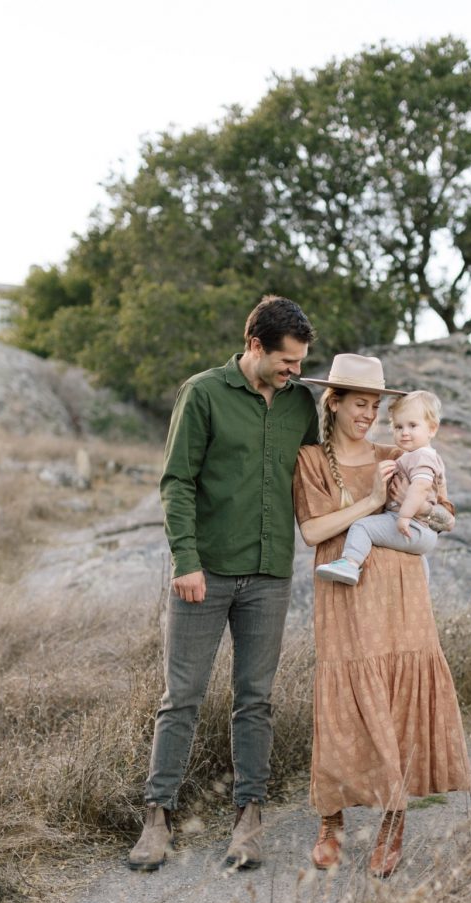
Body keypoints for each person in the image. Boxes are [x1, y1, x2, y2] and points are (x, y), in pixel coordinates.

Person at [129, 295, 320, 873]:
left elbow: (319, 470)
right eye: (287, 361)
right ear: (256, 346)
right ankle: (158, 817)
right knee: (180, 699)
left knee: (255, 700)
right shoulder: (204, 393)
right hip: (204, 574)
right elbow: (177, 481)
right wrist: (185, 560)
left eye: (301, 363)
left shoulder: (300, 405)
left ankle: (248, 818)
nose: (294, 372)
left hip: (270, 576)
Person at [293, 354, 471, 877]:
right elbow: (312, 532)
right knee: (341, 701)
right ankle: (331, 820)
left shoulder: (399, 450)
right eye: (360, 404)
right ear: (336, 402)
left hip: (401, 594)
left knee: (395, 702)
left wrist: (425, 512)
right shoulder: (310, 460)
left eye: (376, 405)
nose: (369, 414)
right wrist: (374, 499)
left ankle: (394, 822)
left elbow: (448, 517)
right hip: (344, 591)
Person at [313, 389, 454, 585]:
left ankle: (350, 563)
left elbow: (426, 493)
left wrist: (406, 514)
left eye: (412, 425)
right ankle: (422, 585)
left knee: (363, 526)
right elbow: (311, 533)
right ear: (334, 404)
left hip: (413, 526)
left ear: (432, 429)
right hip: (413, 532)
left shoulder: (422, 456)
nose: (404, 432)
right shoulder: (407, 455)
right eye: (398, 427)